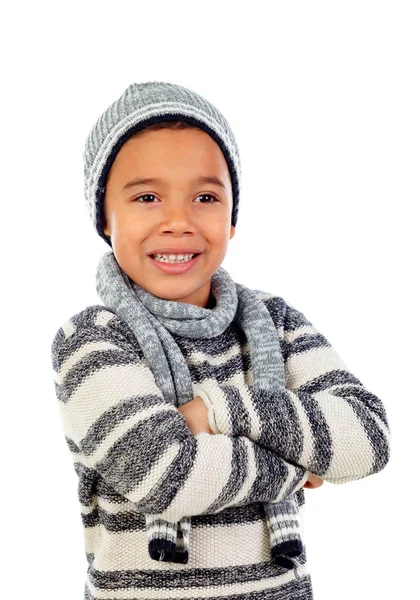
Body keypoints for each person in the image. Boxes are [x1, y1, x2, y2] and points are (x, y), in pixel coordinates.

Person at [50, 81, 392, 599]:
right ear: (104, 218)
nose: (178, 221)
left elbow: (367, 438)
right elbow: (167, 475)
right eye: (147, 197)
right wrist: (301, 464)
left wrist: (215, 411)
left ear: (232, 217)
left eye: (205, 197)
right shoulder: (92, 341)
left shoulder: (275, 325)